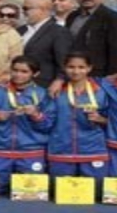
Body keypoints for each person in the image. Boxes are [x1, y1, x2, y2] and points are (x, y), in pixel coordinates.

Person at [0, 56, 54, 195]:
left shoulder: (43, 94)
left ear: (35, 74)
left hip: (31, 152)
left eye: (24, 71)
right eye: (15, 70)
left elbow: (49, 125)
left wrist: (36, 115)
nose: (18, 75)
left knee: (30, 195)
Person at [46, 53, 110, 192]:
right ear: (64, 68)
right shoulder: (56, 91)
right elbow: (46, 122)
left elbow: (116, 120)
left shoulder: (102, 91)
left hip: (93, 149)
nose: (76, 71)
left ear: (89, 68)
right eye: (71, 67)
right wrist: (36, 116)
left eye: (81, 67)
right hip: (61, 149)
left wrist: (102, 119)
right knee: (59, 192)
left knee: (97, 191)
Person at [67, 0, 117, 77]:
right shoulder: (72, 16)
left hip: (99, 74)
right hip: (73, 72)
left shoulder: (113, 18)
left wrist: (113, 74)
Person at [19, 0, 71, 92]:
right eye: (23, 8)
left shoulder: (58, 32)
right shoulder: (20, 30)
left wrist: (60, 80)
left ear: (43, 10)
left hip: (44, 85)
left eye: (27, 8)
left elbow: (64, 61)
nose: (23, 12)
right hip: (17, 85)